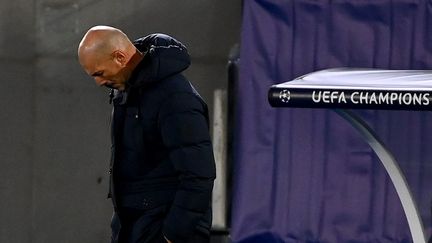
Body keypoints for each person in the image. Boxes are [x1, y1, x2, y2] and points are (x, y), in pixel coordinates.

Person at [78, 26, 216, 243]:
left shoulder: (175, 97)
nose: (99, 82)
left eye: (99, 73)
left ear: (120, 57)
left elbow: (198, 174)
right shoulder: (125, 89)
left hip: (163, 230)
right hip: (136, 227)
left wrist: (172, 235)